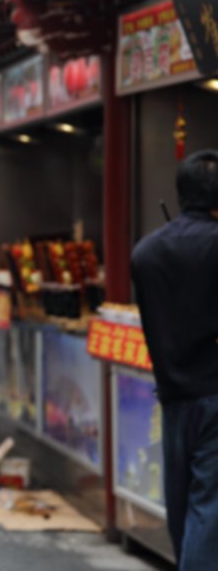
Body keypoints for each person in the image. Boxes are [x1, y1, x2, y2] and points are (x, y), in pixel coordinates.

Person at [131, 150, 218, 571]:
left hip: (172, 394)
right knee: (209, 506)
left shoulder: (145, 253)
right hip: (214, 393)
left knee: (182, 505)